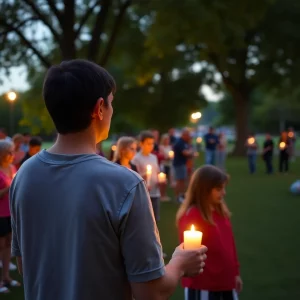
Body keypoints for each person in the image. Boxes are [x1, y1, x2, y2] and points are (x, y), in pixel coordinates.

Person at [10, 59, 207, 300]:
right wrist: (179, 262)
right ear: (99, 108)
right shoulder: (124, 184)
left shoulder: (24, 175)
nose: (112, 112)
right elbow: (150, 292)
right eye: (112, 104)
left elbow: (24, 264)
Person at [177, 165, 242, 300]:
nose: (224, 193)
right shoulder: (192, 216)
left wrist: (235, 272)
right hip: (203, 285)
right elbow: (189, 256)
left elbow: (230, 245)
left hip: (226, 281)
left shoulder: (220, 212)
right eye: (219, 189)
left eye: (224, 188)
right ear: (204, 190)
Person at [0, 140, 20, 294]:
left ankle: (6, 277)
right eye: (9, 152)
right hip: (0, 214)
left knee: (8, 246)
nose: (12, 155)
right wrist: (8, 188)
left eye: (12, 152)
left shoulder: (12, 168)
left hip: (10, 213)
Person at [132, 131, 161, 222]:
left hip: (155, 192)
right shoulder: (136, 158)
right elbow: (134, 176)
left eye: (152, 143)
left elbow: (157, 172)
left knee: (155, 219)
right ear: (141, 143)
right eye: (148, 143)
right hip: (144, 193)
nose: (151, 146)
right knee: (145, 220)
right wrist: (144, 175)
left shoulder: (153, 157)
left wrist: (160, 180)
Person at [173, 129, 194, 203]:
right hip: (179, 164)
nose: (189, 137)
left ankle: (181, 196)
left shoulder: (184, 142)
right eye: (188, 135)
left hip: (182, 163)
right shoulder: (180, 143)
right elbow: (185, 153)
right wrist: (192, 153)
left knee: (182, 180)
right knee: (179, 181)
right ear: (184, 135)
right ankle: (177, 197)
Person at [159, 134, 172, 201]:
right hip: (163, 165)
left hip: (169, 164)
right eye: (166, 139)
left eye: (168, 139)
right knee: (163, 180)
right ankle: (162, 194)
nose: (167, 141)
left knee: (166, 180)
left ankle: (165, 194)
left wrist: (171, 157)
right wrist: (167, 158)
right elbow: (161, 156)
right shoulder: (161, 147)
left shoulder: (169, 147)